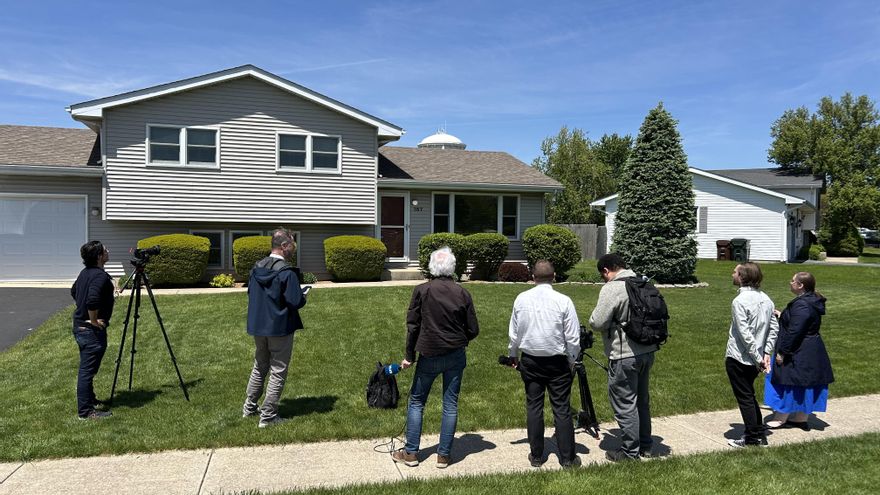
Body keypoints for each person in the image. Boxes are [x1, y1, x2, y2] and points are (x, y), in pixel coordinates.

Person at [392, 247, 479, 469]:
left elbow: (413, 326)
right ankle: (443, 455)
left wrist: (409, 356)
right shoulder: (462, 293)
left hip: (429, 354)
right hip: (455, 354)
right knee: (450, 404)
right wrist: (460, 339)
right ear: (452, 267)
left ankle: (411, 453)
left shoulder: (422, 290)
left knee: (417, 401)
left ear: (432, 267)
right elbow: (473, 329)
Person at [506, 260, 581, 468]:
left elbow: (514, 333)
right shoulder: (564, 301)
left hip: (530, 359)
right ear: (554, 276)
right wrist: (572, 359)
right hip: (557, 361)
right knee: (562, 408)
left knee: (534, 406)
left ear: (533, 277)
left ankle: (537, 455)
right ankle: (568, 458)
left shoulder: (521, 299)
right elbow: (573, 337)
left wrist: (512, 354)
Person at [589, 253, 659, 461]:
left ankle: (630, 452)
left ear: (606, 270)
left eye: (603, 275)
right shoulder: (643, 282)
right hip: (647, 349)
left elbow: (597, 322)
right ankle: (645, 445)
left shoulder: (613, 288)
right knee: (642, 401)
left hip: (624, 354)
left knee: (625, 403)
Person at [242, 228, 306, 428]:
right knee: (278, 370)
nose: (294, 248)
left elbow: (251, 293)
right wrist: (303, 295)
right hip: (279, 327)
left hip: (258, 326)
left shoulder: (257, 268)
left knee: (260, 366)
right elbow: (295, 301)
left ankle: (249, 408)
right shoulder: (286, 272)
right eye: (293, 244)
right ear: (284, 246)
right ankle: (268, 416)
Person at [764, 271, 834, 430]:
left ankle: (781, 418)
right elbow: (801, 322)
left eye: (792, 281)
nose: (790, 283)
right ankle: (800, 418)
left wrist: (783, 352)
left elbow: (795, 331)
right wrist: (783, 315)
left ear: (800, 285)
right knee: (805, 382)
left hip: (799, 350)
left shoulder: (802, 304)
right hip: (810, 349)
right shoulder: (810, 300)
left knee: (788, 381)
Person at [725, 262, 779, 448]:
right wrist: (765, 353)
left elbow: (744, 333)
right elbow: (774, 328)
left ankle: (752, 438)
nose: (732, 274)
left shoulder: (739, 301)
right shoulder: (766, 299)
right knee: (749, 394)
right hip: (756, 357)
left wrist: (759, 357)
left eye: (735, 272)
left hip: (739, 357)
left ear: (742, 277)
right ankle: (759, 433)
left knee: (745, 397)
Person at [70, 241, 115, 420]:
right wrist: (94, 320)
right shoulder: (99, 276)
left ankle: (90, 400)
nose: (108, 250)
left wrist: (82, 309)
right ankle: (86, 412)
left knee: (88, 369)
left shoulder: (85, 273)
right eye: (105, 250)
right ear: (99, 256)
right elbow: (92, 299)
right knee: (87, 371)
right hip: (90, 331)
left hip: (80, 327)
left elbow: (74, 291)